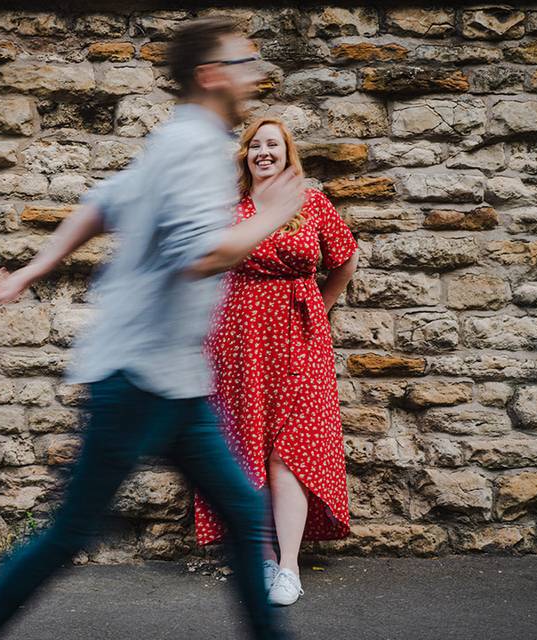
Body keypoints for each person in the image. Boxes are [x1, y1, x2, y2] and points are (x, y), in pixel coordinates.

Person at [0, 17, 306, 640]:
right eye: (243, 59)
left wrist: (33, 269)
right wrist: (271, 215)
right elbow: (197, 256)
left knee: (246, 513)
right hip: (139, 379)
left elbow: (101, 205)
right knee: (68, 535)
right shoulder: (194, 148)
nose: (255, 69)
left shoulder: (177, 139)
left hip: (174, 380)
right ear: (211, 75)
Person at [193, 118, 359, 607]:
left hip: (300, 339)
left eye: (274, 145)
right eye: (255, 146)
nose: (264, 152)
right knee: (248, 446)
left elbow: (345, 258)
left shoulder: (311, 203)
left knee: (292, 448)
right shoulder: (231, 209)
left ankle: (289, 567)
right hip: (240, 339)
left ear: (288, 154)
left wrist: (321, 308)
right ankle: (263, 557)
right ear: (245, 155)